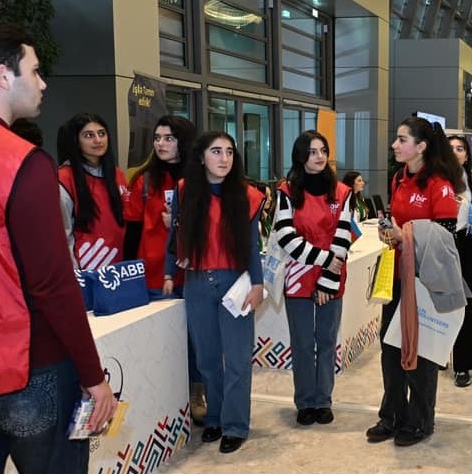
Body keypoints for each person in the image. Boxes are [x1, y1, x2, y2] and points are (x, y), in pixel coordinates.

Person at [0, 20, 117, 474]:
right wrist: (93, 375)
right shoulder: (24, 163)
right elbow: (53, 284)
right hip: (31, 369)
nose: (44, 83)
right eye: (35, 70)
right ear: (2, 76)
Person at [164, 132, 265, 454]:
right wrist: (169, 273)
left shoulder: (248, 196)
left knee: (236, 360)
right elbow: (174, 234)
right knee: (207, 360)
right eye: (216, 151)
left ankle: (236, 425)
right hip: (195, 283)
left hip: (235, 283)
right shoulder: (184, 191)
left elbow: (253, 245)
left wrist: (258, 284)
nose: (224, 159)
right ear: (201, 157)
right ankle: (216, 420)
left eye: (230, 152)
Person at [366, 116, 462, 447]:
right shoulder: (398, 178)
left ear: (420, 146)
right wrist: (390, 232)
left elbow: (447, 237)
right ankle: (391, 415)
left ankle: (421, 420)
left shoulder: (438, 184)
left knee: (420, 353)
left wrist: (405, 236)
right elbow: (399, 222)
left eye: (402, 139)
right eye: (396, 139)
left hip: (423, 281)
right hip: (396, 275)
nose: (395, 144)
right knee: (391, 347)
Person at [271, 131, 352, 426]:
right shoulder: (286, 191)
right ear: (300, 155)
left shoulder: (342, 192)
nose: (319, 157)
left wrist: (327, 279)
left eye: (323, 150)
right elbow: (285, 235)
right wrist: (323, 260)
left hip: (332, 278)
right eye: (312, 151)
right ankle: (305, 401)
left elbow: (343, 236)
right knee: (303, 342)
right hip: (298, 277)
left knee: (327, 340)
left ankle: (323, 400)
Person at [124, 115, 196, 296]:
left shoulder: (199, 179)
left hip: (194, 274)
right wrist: (129, 275)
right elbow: (132, 232)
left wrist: (178, 223)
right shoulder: (144, 181)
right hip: (153, 275)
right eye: (157, 138)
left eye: (169, 138)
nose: (160, 144)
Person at [57, 112, 129, 270]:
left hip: (118, 267)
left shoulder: (117, 174)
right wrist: (75, 275)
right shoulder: (64, 178)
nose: (98, 140)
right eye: (89, 135)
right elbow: (63, 234)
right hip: (85, 269)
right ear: (76, 141)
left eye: (101, 133)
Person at [447, 134, 472, 388]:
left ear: (467, 154)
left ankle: (462, 364)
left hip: (469, 244)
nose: (456, 152)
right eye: (450, 149)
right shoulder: (435, 182)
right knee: (437, 301)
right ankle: (437, 353)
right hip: (441, 243)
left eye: (460, 148)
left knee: (465, 304)